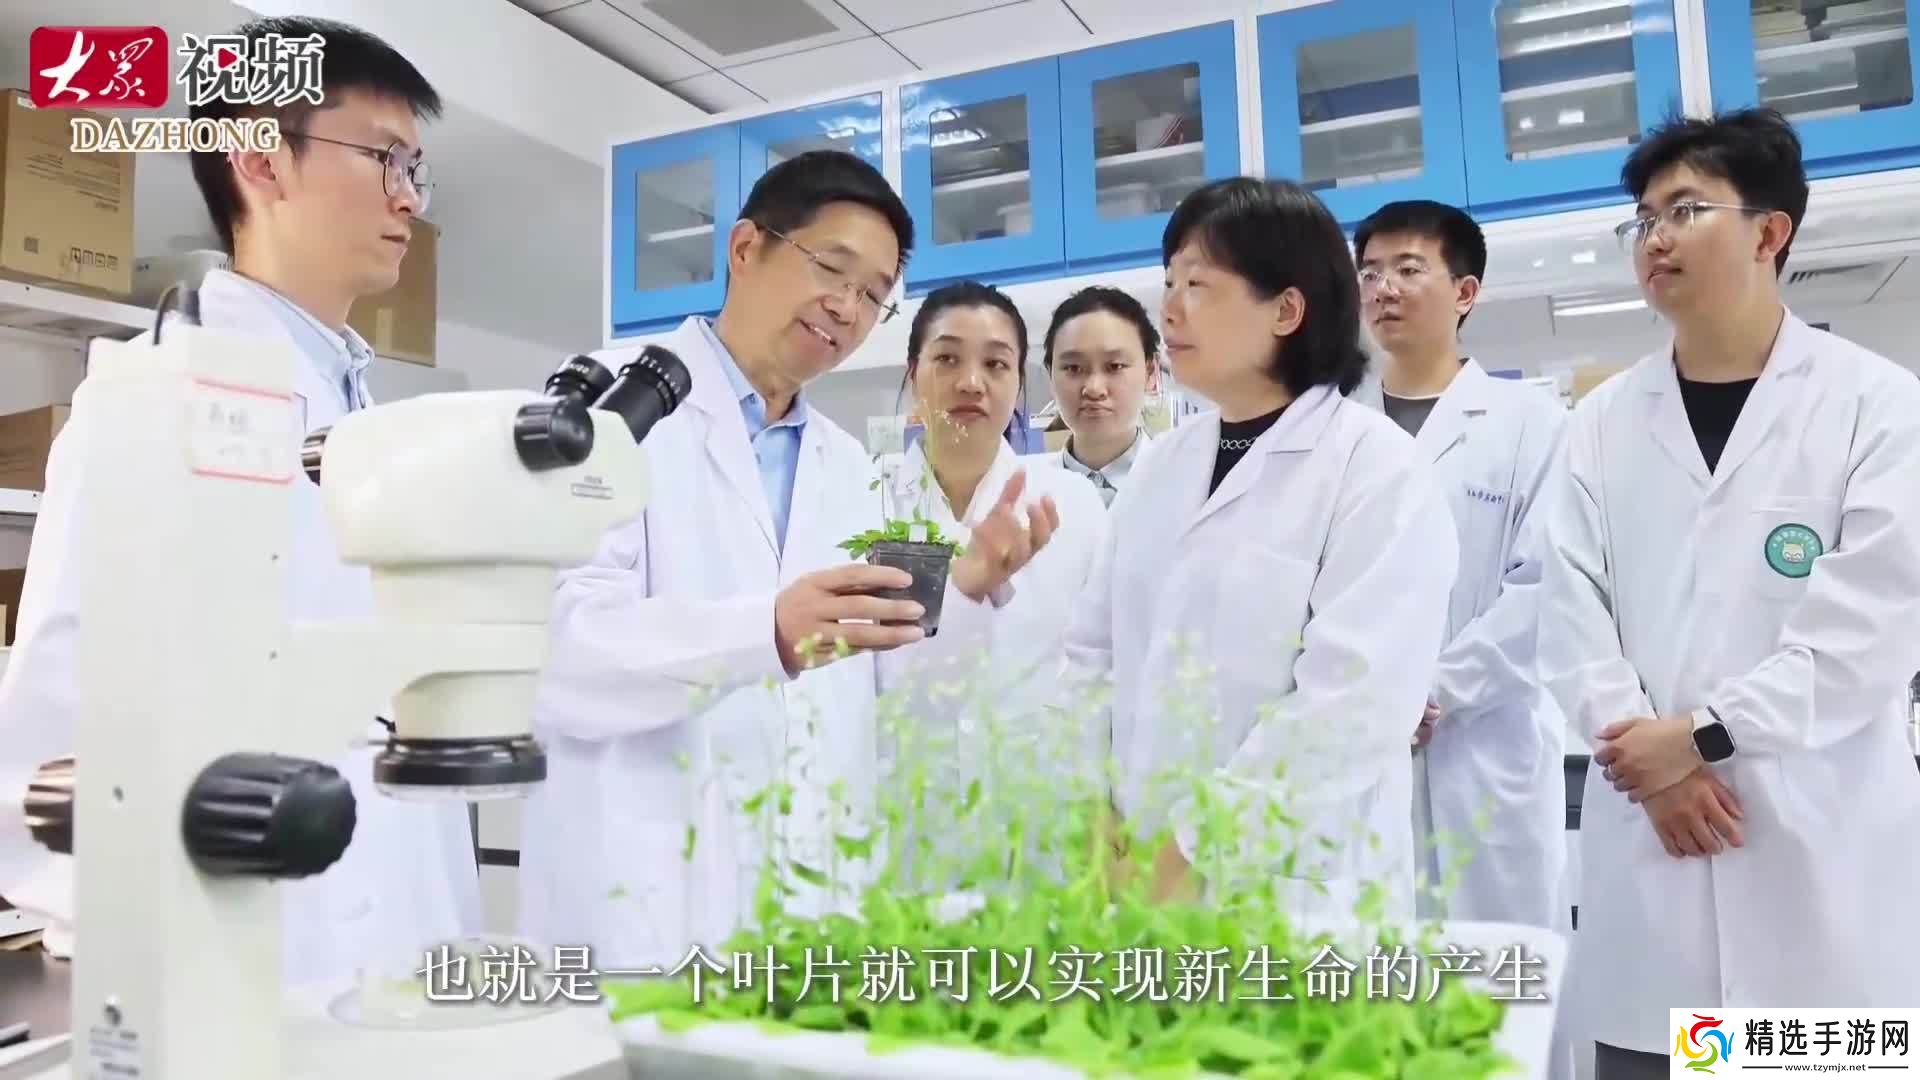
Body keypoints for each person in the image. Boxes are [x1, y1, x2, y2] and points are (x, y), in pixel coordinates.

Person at [0, 16, 480, 984]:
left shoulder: (360, 411)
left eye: (415, 170)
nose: (407, 198)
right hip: (258, 966)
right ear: (259, 156)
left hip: (400, 950)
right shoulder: (152, 399)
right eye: (384, 158)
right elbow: (57, 748)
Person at [517, 152, 1059, 969]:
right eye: (832, 269)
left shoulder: (852, 464)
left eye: (873, 294)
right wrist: (765, 633)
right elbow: (555, 649)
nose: (847, 307)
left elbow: (893, 676)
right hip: (643, 896)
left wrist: (970, 589)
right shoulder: (606, 414)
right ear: (746, 248)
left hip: (809, 908)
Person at [1538, 108, 1920, 1078]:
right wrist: (1655, 762)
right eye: (1642, 219)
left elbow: (1873, 628)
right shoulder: (1599, 424)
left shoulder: (1879, 407)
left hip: (1819, 869)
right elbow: (1570, 614)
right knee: (1654, 1058)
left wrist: (1702, 736)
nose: (1654, 238)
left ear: (1768, 232)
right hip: (1652, 864)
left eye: (1684, 210)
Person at [1063, 177, 1458, 923]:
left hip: (1291, 893)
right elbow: (1091, 655)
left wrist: (1189, 853)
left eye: (1198, 285)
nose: (1170, 308)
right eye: (1169, 282)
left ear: (1285, 309)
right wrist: (1091, 813)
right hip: (1133, 871)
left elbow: (1351, 705)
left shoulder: (1376, 470)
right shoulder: (1162, 466)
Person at [1350, 200, 1568, 930]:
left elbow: (1546, 588)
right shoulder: (1329, 426)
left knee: (1499, 976)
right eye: (1370, 272)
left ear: (1465, 292)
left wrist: (1430, 691)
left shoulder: (1530, 424)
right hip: (1355, 749)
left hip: (1484, 750)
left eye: (1408, 269)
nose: (1384, 288)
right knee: (1372, 971)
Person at [875, 282, 1108, 886]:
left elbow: (1103, 670)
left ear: (1019, 385)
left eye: (996, 364)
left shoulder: (1071, 505)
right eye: (947, 358)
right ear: (914, 374)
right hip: (902, 834)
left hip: (1044, 829)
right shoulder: (867, 504)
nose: (971, 382)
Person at [1040, 286, 1162, 506]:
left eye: (1115, 366)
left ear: (1150, 372)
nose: (1094, 389)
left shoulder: (1187, 481)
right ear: (1051, 377)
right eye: (1073, 368)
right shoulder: (1028, 495)